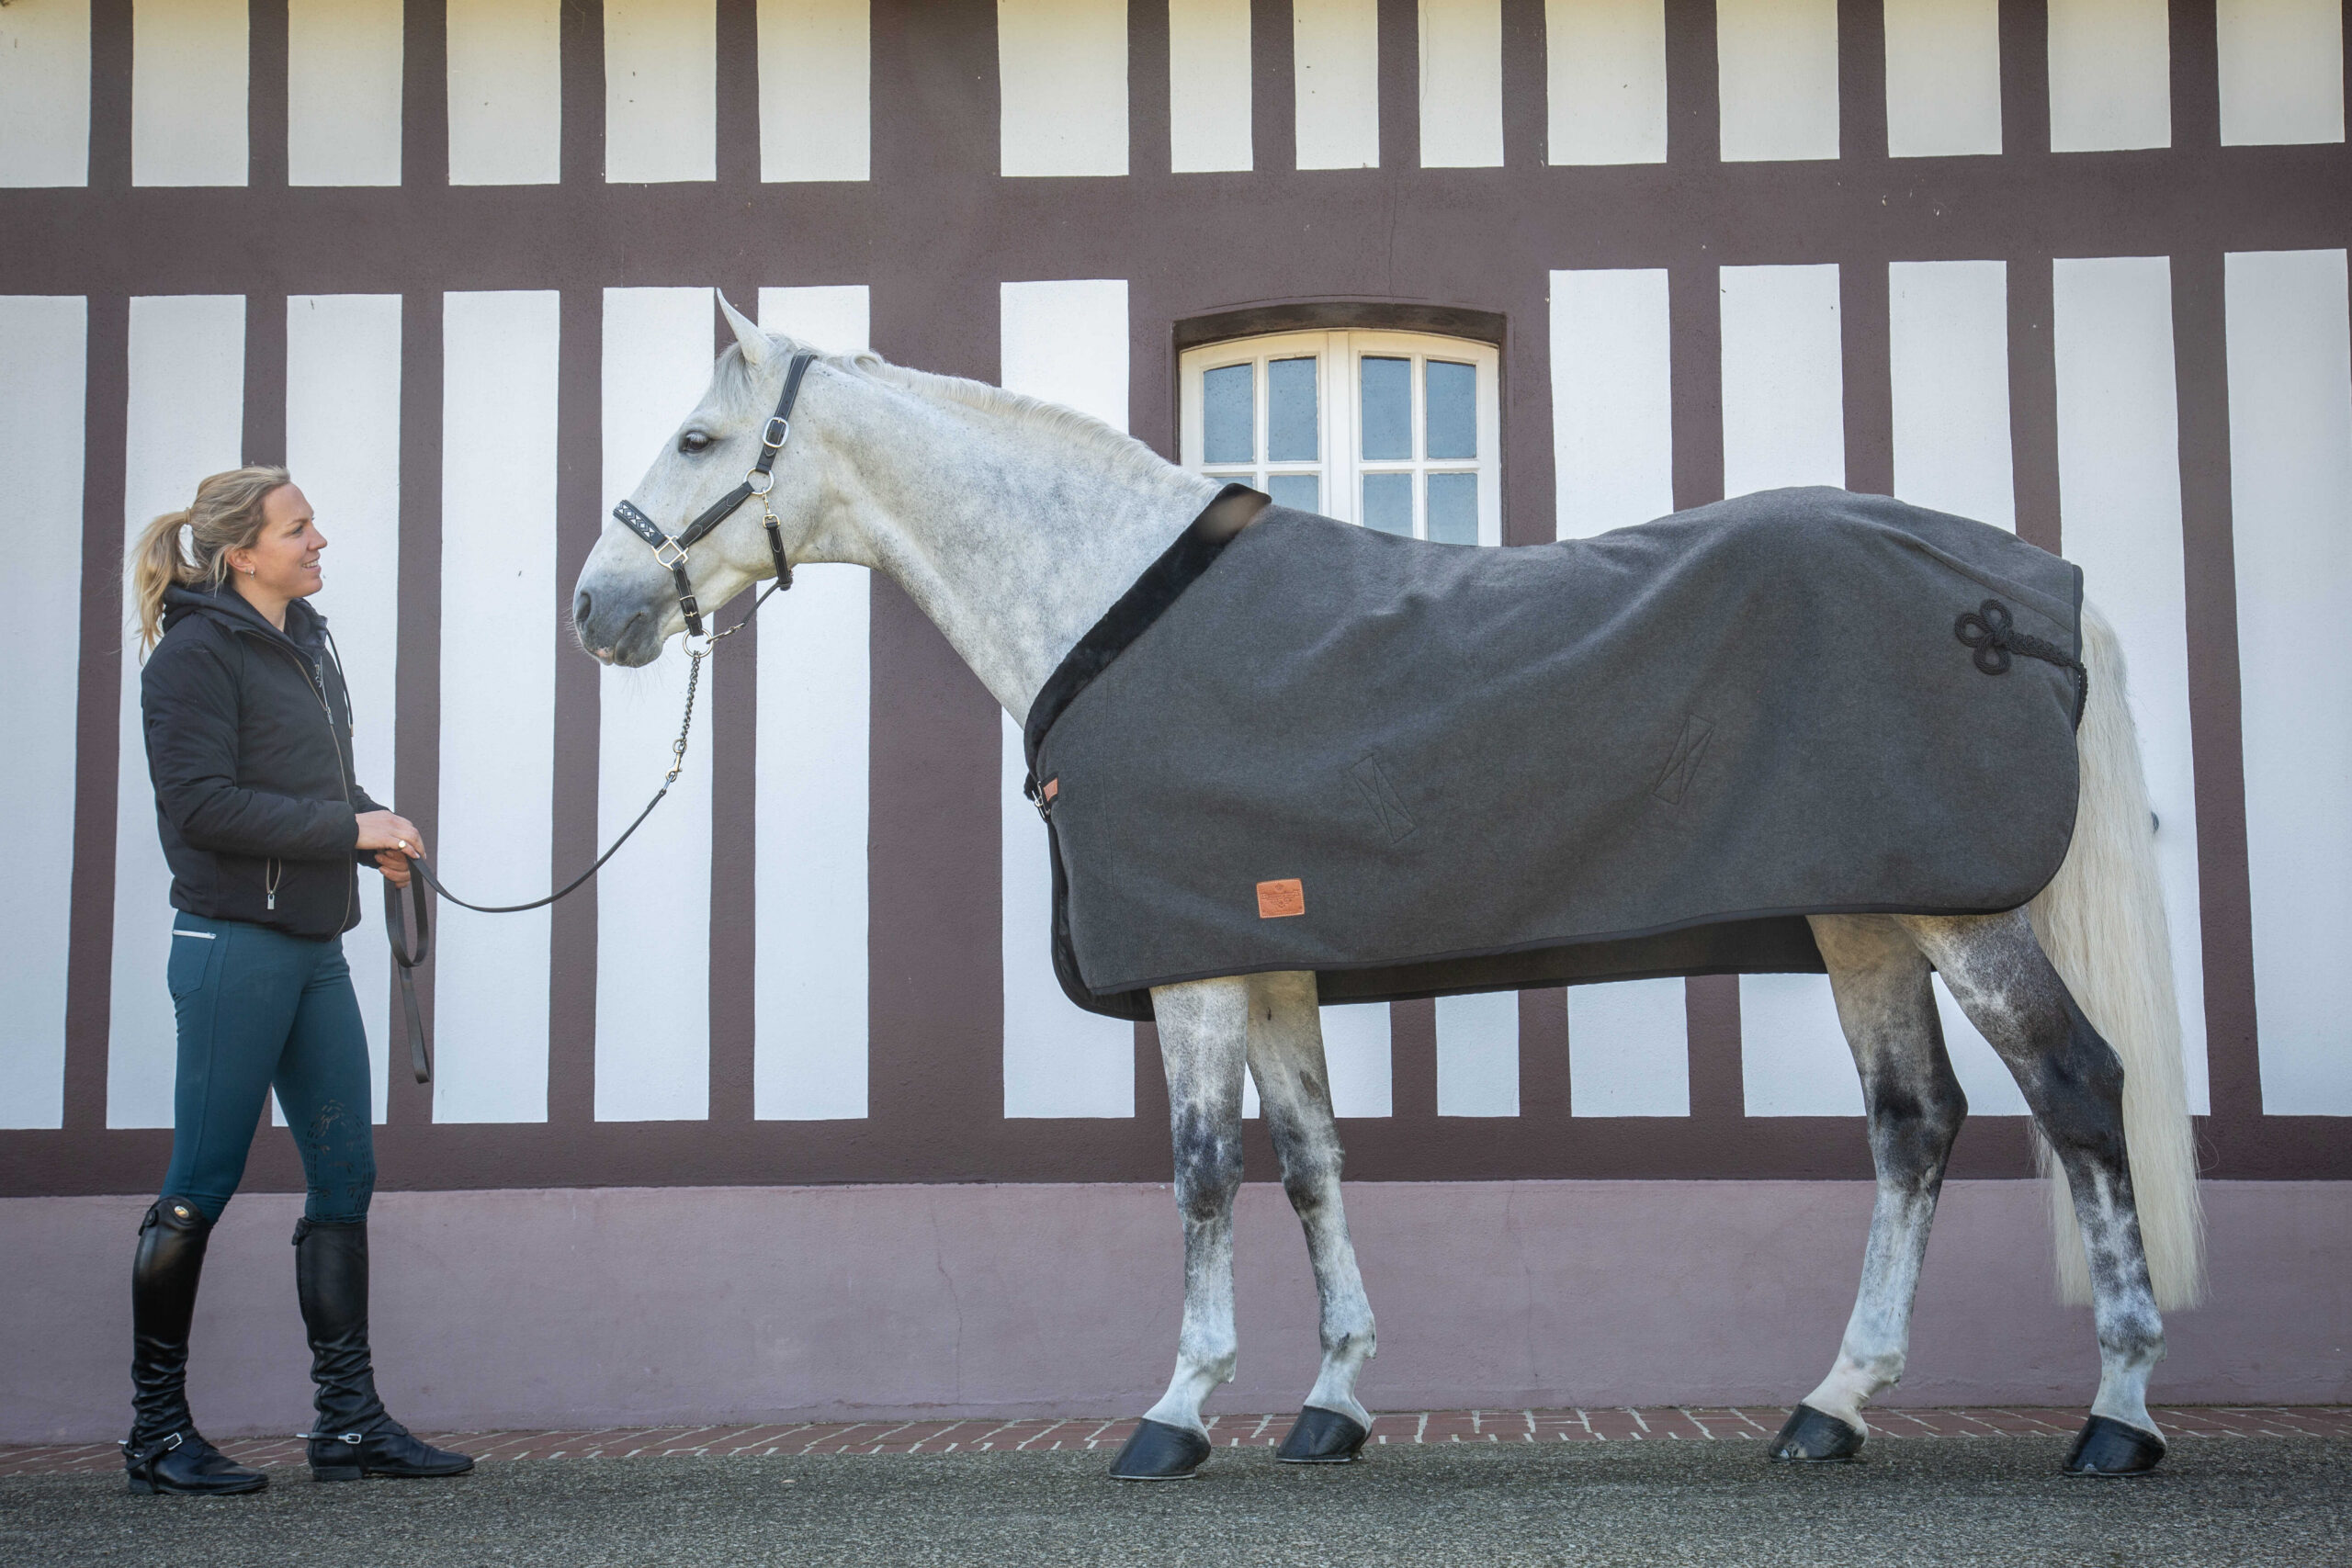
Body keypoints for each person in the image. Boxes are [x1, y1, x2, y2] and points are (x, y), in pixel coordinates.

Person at [120, 466, 472, 1495]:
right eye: (298, 528)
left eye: (312, 524)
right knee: (200, 1186)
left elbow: (313, 787)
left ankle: (348, 1425)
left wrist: (373, 828)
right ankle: (155, 1434)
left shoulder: (306, 643)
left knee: (346, 1177)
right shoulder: (190, 657)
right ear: (241, 553)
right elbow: (201, 807)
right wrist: (345, 829)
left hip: (315, 946)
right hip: (232, 947)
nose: (318, 541)